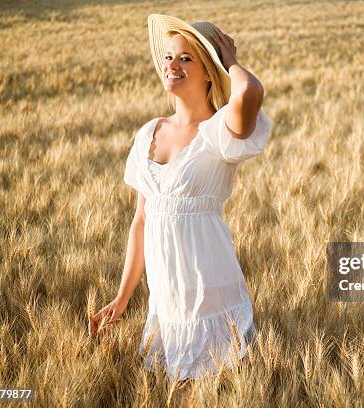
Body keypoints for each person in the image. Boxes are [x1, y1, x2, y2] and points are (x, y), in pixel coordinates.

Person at [89, 14, 273, 381]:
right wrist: (123, 298)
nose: (171, 65)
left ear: (209, 71)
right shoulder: (149, 133)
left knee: (220, 382)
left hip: (210, 290)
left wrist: (230, 60)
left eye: (186, 58)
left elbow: (250, 91)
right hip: (166, 293)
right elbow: (141, 221)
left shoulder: (220, 130)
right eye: (169, 57)